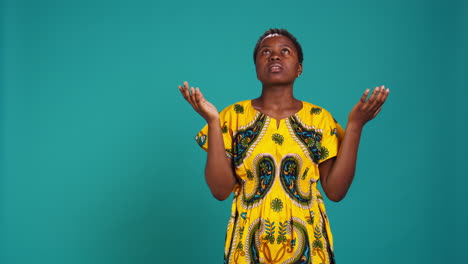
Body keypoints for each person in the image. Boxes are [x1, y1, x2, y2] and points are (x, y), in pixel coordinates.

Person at [178, 28, 389, 264]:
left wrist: (356, 125)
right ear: (256, 68)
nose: (274, 56)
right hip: (248, 247)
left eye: (285, 51)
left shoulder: (319, 120)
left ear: (299, 68)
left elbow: (335, 191)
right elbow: (220, 191)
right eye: (265, 52)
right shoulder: (232, 116)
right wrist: (213, 121)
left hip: (308, 244)